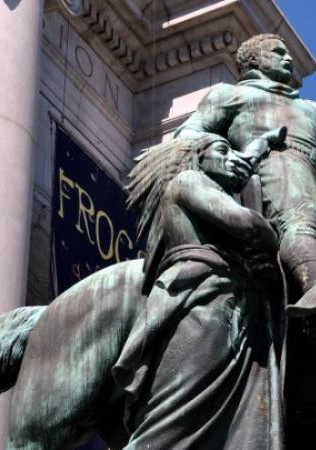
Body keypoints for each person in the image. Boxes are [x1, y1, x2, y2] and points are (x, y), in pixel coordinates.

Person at [176, 34, 316, 334]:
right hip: (271, 170)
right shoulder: (230, 95)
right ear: (253, 60)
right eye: (278, 52)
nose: (288, 59)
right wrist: (225, 154)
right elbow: (188, 134)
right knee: (299, 215)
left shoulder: (310, 108)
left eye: (287, 54)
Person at [113, 131, 287, 450]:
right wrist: (270, 232)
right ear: (197, 157)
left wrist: (263, 144)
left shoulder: (211, 186)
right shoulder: (188, 180)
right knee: (176, 422)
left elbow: (243, 169)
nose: (232, 159)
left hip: (227, 305)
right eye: (222, 151)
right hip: (203, 303)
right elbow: (246, 223)